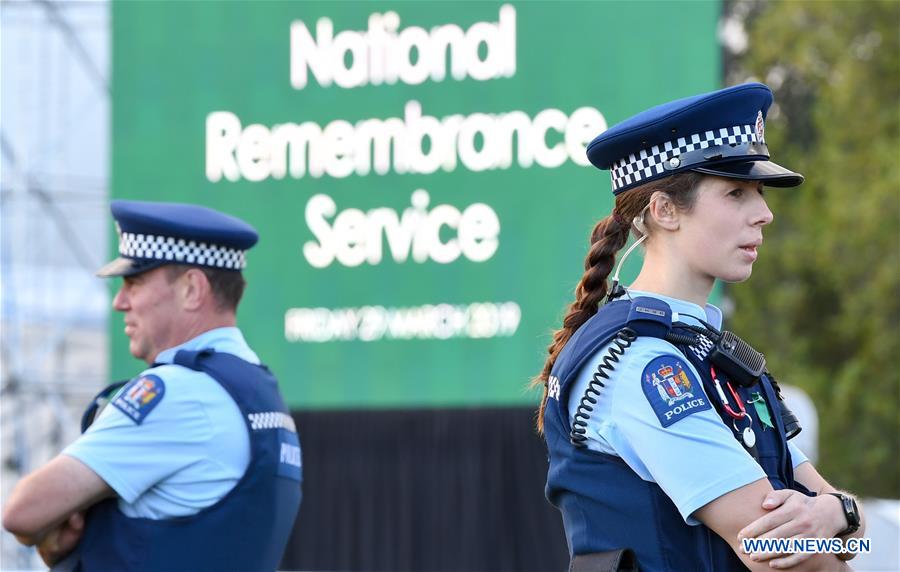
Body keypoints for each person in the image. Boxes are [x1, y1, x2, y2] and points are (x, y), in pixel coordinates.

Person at [535, 83, 866, 571]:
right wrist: (839, 524)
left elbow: (831, 518)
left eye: (758, 193)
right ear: (664, 210)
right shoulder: (643, 364)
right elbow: (775, 553)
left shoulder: (709, 354)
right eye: (736, 193)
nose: (764, 214)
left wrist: (840, 512)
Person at [3, 200, 302, 571]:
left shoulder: (179, 394)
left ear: (192, 289)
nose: (119, 302)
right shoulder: (259, 391)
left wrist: (55, 533)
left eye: (134, 282)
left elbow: (23, 511)